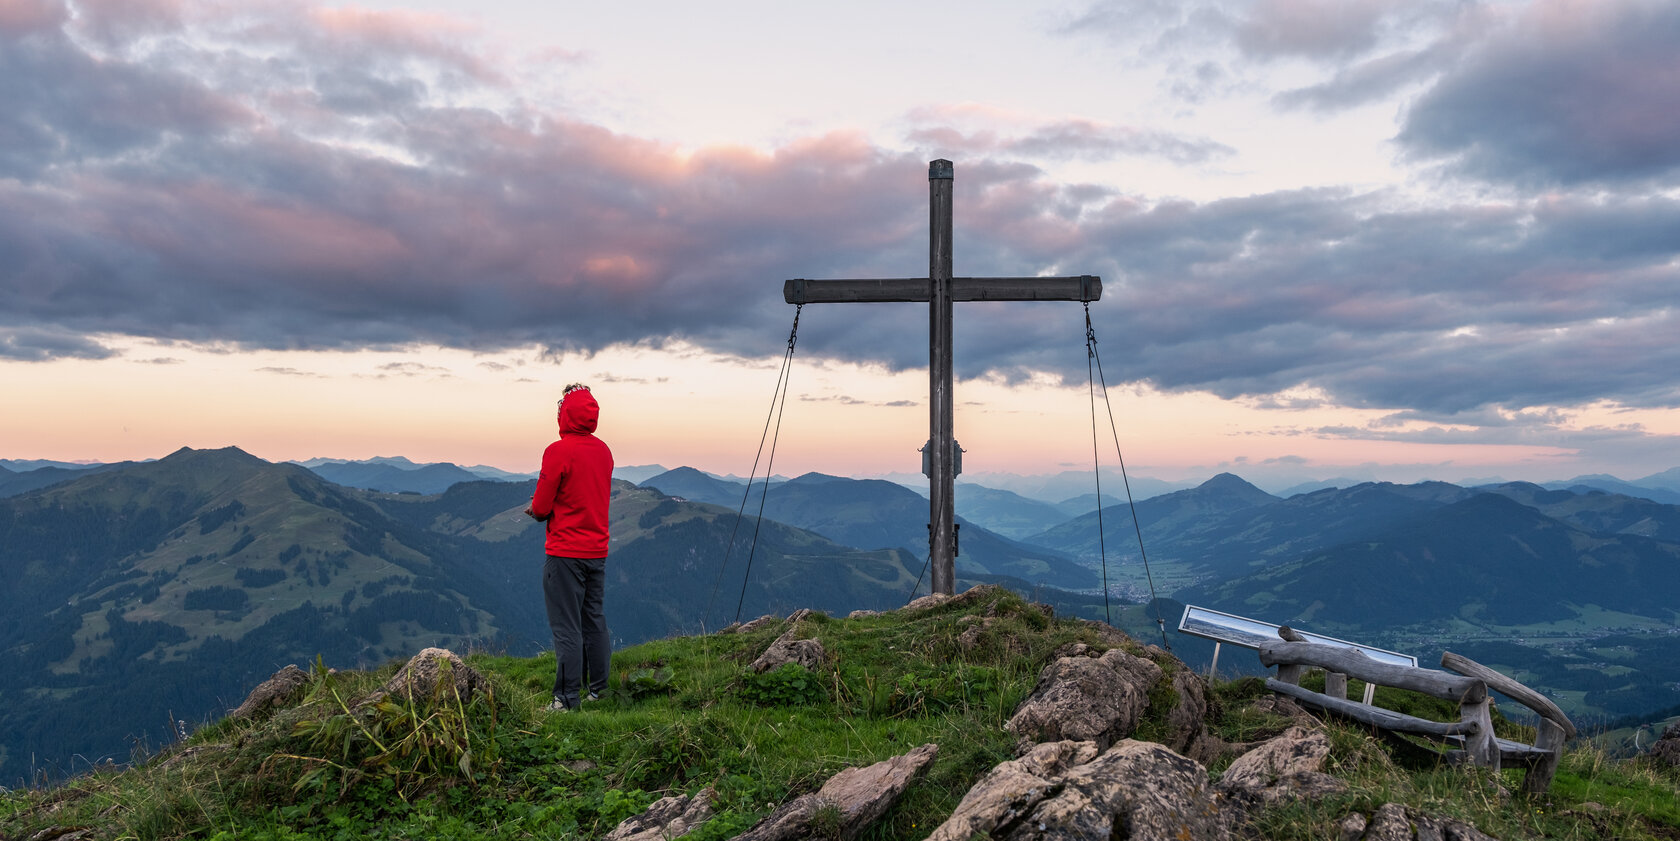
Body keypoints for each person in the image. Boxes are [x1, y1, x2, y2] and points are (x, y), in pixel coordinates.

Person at [525, 383, 614, 712]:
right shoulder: (604, 452)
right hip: (597, 550)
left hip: (564, 553)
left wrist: (535, 511)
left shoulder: (557, 451)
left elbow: (542, 506)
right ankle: (600, 690)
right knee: (594, 619)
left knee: (566, 627)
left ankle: (565, 699)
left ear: (566, 415)